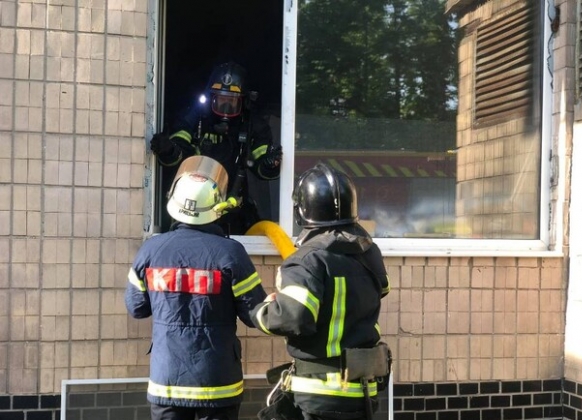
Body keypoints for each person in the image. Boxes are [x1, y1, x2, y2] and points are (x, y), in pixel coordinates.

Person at [125, 155, 268, 420]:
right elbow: (254, 314)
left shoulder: (151, 250)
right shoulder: (231, 253)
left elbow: (137, 308)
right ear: (217, 206)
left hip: (167, 380)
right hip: (218, 382)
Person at [250, 163, 391, 420]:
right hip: (363, 391)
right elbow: (381, 289)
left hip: (320, 393)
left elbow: (293, 318)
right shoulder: (369, 253)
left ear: (302, 210)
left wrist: (263, 310)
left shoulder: (308, 260)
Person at [150, 61, 282, 235]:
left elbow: (261, 164)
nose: (226, 106)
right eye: (221, 99)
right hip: (193, 205)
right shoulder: (195, 118)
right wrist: (168, 150)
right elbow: (179, 154)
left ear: (243, 101)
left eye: (232, 101)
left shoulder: (251, 124)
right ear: (211, 98)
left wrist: (269, 164)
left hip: (232, 207)